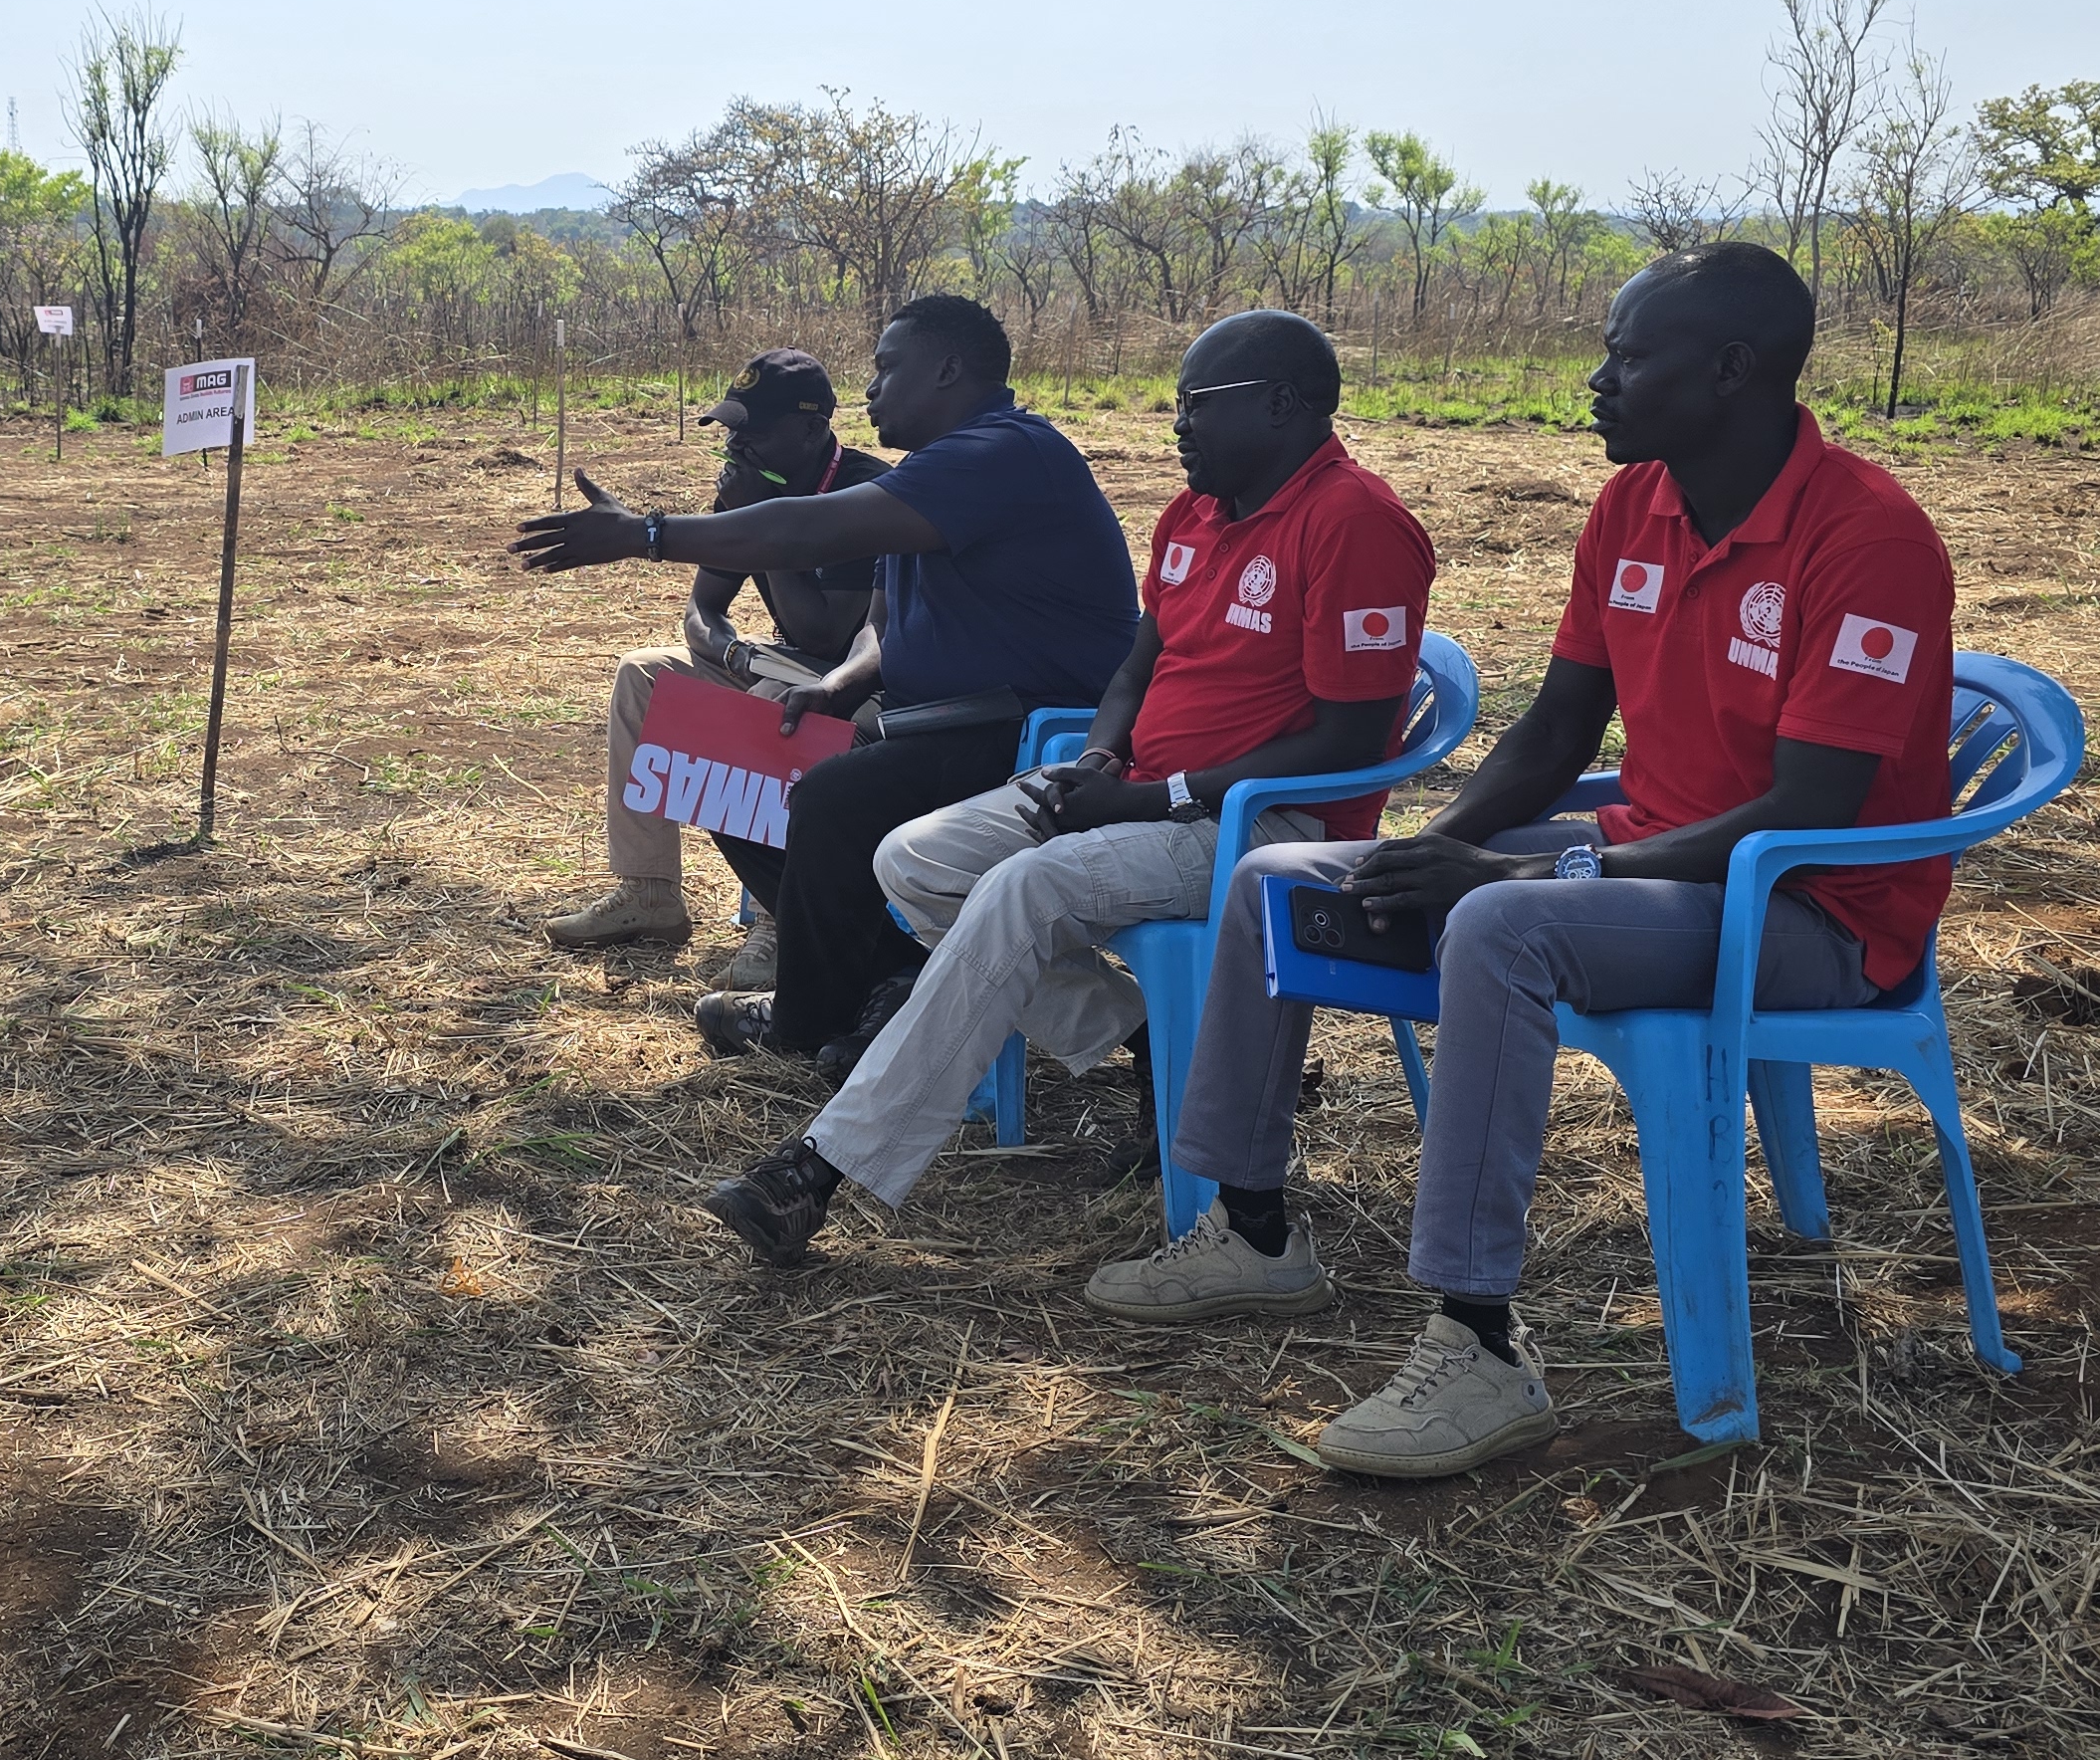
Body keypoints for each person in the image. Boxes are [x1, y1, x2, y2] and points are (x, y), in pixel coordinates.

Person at [1098, 243, 1957, 1481]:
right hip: (1646, 863)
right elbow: (1557, 731)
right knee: (1276, 881)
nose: (1597, 378)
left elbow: (1805, 806)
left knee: (1500, 931)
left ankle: (1479, 1343)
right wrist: (1444, 846)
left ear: (1730, 370)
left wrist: (1518, 882)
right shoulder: (1632, 506)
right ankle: (1252, 1224)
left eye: (1629, 353)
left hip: (1806, 906)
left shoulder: (1865, 536)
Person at [696, 310, 1438, 1262]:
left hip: (1265, 819)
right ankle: (1155, 1048)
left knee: (1022, 888)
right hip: (1134, 786)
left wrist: (1152, 799)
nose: (1177, 428)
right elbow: (1133, 672)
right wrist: (1097, 760)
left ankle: (820, 1170)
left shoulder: (1357, 525)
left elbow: (1345, 736)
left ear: (1282, 406)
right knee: (912, 862)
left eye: (1197, 407)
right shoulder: (1195, 515)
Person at [514, 295, 1142, 1075]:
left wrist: (649, 533)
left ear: (947, 369)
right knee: (732, 765)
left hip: (1028, 729)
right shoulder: (935, 471)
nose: (870, 389)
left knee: (834, 797)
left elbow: (802, 531)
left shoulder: (1005, 453)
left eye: (887, 368)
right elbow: (884, 621)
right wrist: (841, 686)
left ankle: (805, 1020)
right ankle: (891, 980)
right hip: (937, 718)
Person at [542, 348, 886, 980]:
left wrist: (759, 522)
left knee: (766, 712)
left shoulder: (861, 493)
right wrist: (734, 652)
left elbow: (828, 632)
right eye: (731, 427)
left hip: (855, 684)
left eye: (752, 429)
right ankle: (650, 893)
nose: (736, 443)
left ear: (811, 430)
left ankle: (779, 918)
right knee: (645, 674)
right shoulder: (751, 489)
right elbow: (702, 611)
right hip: (776, 663)